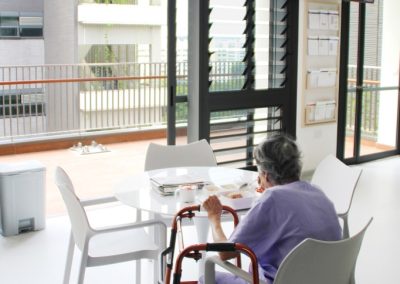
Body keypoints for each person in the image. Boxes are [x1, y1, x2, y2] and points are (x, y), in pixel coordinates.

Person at [201, 134, 342, 284]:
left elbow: (225, 252)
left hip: (282, 280)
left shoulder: (272, 199)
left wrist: (214, 217)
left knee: (206, 277)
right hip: (326, 278)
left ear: (266, 176)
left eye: (259, 174)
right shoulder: (317, 192)